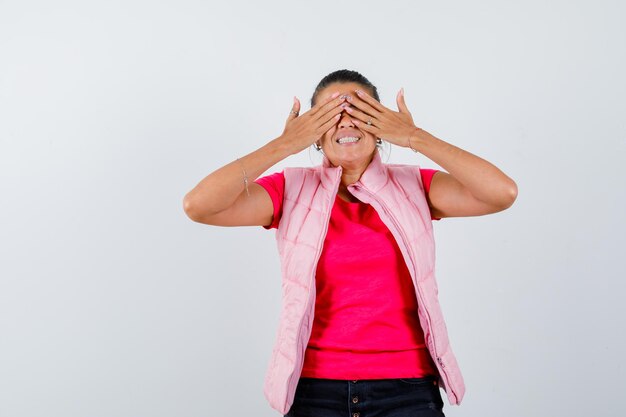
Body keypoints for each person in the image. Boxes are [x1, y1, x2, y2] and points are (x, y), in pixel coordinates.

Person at [183, 69, 518, 417]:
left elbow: (501, 193)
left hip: (409, 390)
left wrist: (414, 136)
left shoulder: (416, 185)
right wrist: (284, 145)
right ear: (312, 132)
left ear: (380, 125)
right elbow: (199, 205)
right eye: (329, 115)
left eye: (360, 111)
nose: (346, 123)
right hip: (315, 391)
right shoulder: (291, 189)